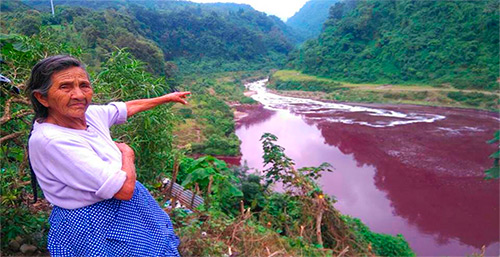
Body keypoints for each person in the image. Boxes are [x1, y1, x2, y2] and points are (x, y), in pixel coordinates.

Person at [26, 55, 190, 256]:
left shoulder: (88, 115)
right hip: (93, 223)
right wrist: (127, 154)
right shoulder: (52, 141)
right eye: (65, 87)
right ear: (42, 98)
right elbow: (123, 189)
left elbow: (126, 108)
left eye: (84, 85)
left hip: (125, 212)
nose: (78, 94)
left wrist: (165, 98)